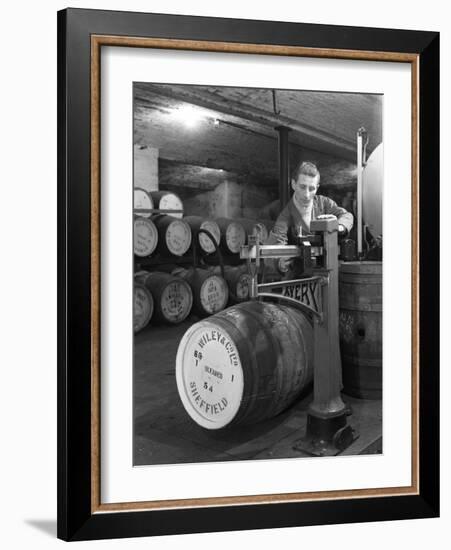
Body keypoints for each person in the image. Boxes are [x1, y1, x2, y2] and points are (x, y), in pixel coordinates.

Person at [269, 161, 353, 245]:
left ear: (317, 188)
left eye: (312, 189)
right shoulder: (285, 216)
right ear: (293, 184)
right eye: (302, 187)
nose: (307, 195)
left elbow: (347, 216)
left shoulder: (324, 203)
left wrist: (338, 227)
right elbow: (277, 246)